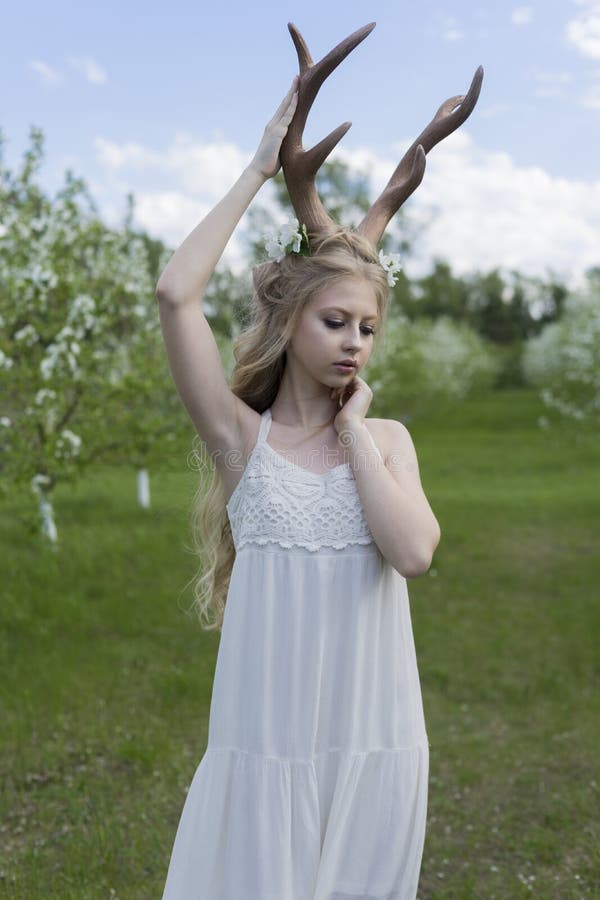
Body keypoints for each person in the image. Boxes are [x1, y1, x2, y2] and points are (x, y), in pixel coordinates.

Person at [156, 67, 442, 899]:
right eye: (334, 322)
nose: (354, 342)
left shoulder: (385, 440)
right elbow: (177, 294)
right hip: (266, 751)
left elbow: (415, 553)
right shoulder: (242, 441)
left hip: (372, 741)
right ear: (288, 324)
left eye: (368, 328)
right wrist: (257, 168)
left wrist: (354, 432)